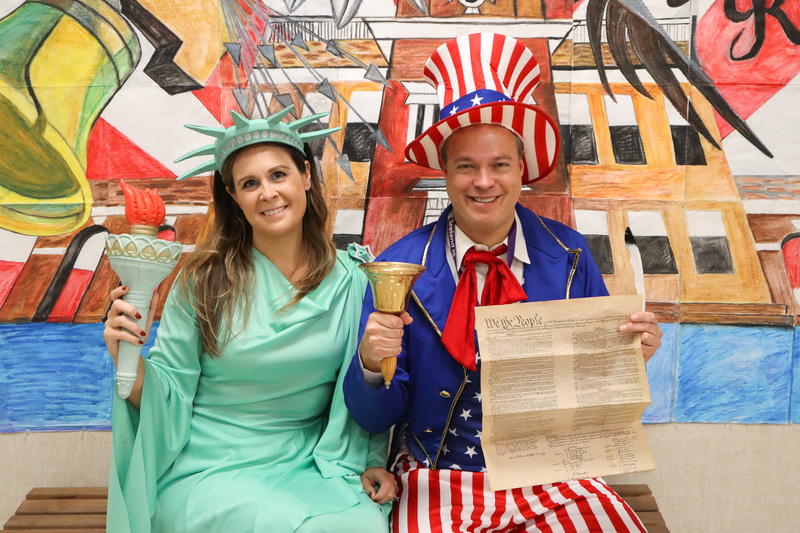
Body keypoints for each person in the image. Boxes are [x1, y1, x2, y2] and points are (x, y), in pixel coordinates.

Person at [343, 33, 663, 532]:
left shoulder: (571, 255)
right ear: (445, 174)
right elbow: (373, 418)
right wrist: (368, 363)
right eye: (466, 166)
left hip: (554, 476)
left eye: (499, 165)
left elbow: (592, 408)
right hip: (436, 477)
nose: (483, 181)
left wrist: (626, 362)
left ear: (522, 172)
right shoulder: (397, 268)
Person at [103, 107, 397, 532]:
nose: (267, 192)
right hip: (210, 468)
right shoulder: (203, 282)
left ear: (307, 178)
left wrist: (369, 462)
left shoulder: (352, 281)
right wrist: (125, 356)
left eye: (278, 175)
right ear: (234, 198)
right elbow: (168, 394)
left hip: (310, 465)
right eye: (249, 183)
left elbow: (361, 387)